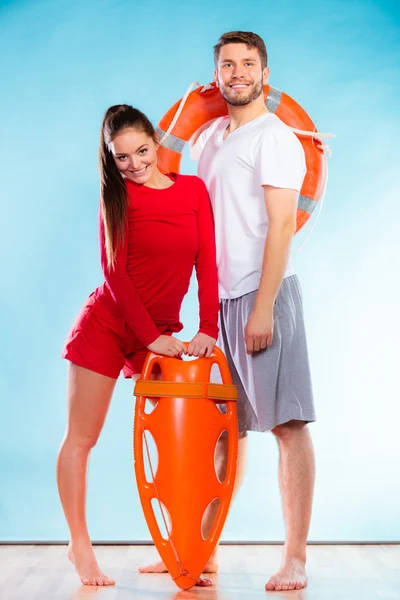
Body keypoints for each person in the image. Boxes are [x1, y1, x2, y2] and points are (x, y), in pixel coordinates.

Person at [140, 32, 316, 593]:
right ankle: (206, 550)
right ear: (215, 74)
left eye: (247, 63)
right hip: (220, 302)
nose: (236, 72)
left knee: (287, 426)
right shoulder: (209, 137)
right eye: (227, 64)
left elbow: (281, 226)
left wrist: (262, 309)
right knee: (225, 431)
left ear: (265, 71)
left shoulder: (276, 138)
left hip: (265, 297)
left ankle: (295, 559)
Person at [57, 104, 219, 587]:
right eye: (121, 157)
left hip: (163, 329)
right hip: (110, 325)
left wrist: (206, 326)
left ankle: (180, 546)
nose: (134, 163)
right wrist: (150, 338)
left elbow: (207, 265)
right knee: (82, 439)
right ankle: (78, 544)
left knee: (175, 444)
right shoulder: (116, 199)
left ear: (156, 142)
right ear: (111, 158)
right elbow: (115, 275)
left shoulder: (193, 191)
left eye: (142, 150)